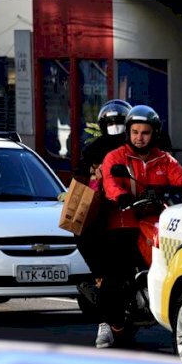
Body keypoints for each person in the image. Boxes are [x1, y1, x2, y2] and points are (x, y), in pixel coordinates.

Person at [94, 105, 182, 349]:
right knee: (115, 274)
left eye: (145, 132)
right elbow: (111, 182)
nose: (139, 137)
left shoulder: (164, 159)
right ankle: (107, 323)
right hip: (122, 222)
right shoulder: (116, 157)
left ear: (154, 133)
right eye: (135, 132)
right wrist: (120, 196)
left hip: (156, 222)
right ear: (128, 133)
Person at [72, 99, 131, 316]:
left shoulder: (138, 148)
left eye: (119, 122)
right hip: (105, 211)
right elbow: (79, 179)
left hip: (136, 207)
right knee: (84, 233)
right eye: (111, 122)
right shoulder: (93, 150)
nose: (115, 126)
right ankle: (100, 281)